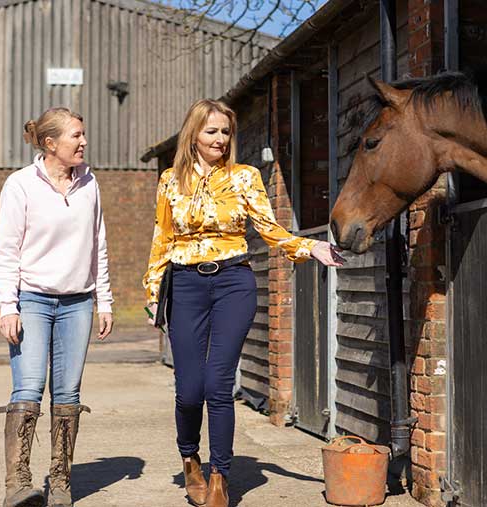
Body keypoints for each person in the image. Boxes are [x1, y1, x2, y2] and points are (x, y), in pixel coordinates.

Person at [142, 99, 345, 507]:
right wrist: (152, 294)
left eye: (225, 132)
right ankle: (190, 458)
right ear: (193, 135)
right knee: (188, 391)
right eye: (211, 131)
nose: (220, 139)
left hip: (234, 281)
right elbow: (162, 238)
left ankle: (220, 477)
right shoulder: (169, 180)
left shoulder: (245, 177)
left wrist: (308, 246)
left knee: (218, 385)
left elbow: (269, 229)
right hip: (184, 285)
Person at [0, 107, 114, 507]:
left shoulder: (89, 184)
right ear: (50, 143)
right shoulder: (20, 185)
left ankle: (60, 482)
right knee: (27, 389)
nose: (83, 142)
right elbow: (5, 250)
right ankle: (18, 485)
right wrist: (8, 305)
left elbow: (99, 246)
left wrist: (104, 300)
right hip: (32, 300)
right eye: (75, 136)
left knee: (68, 393)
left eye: (83, 134)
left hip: (78, 302)